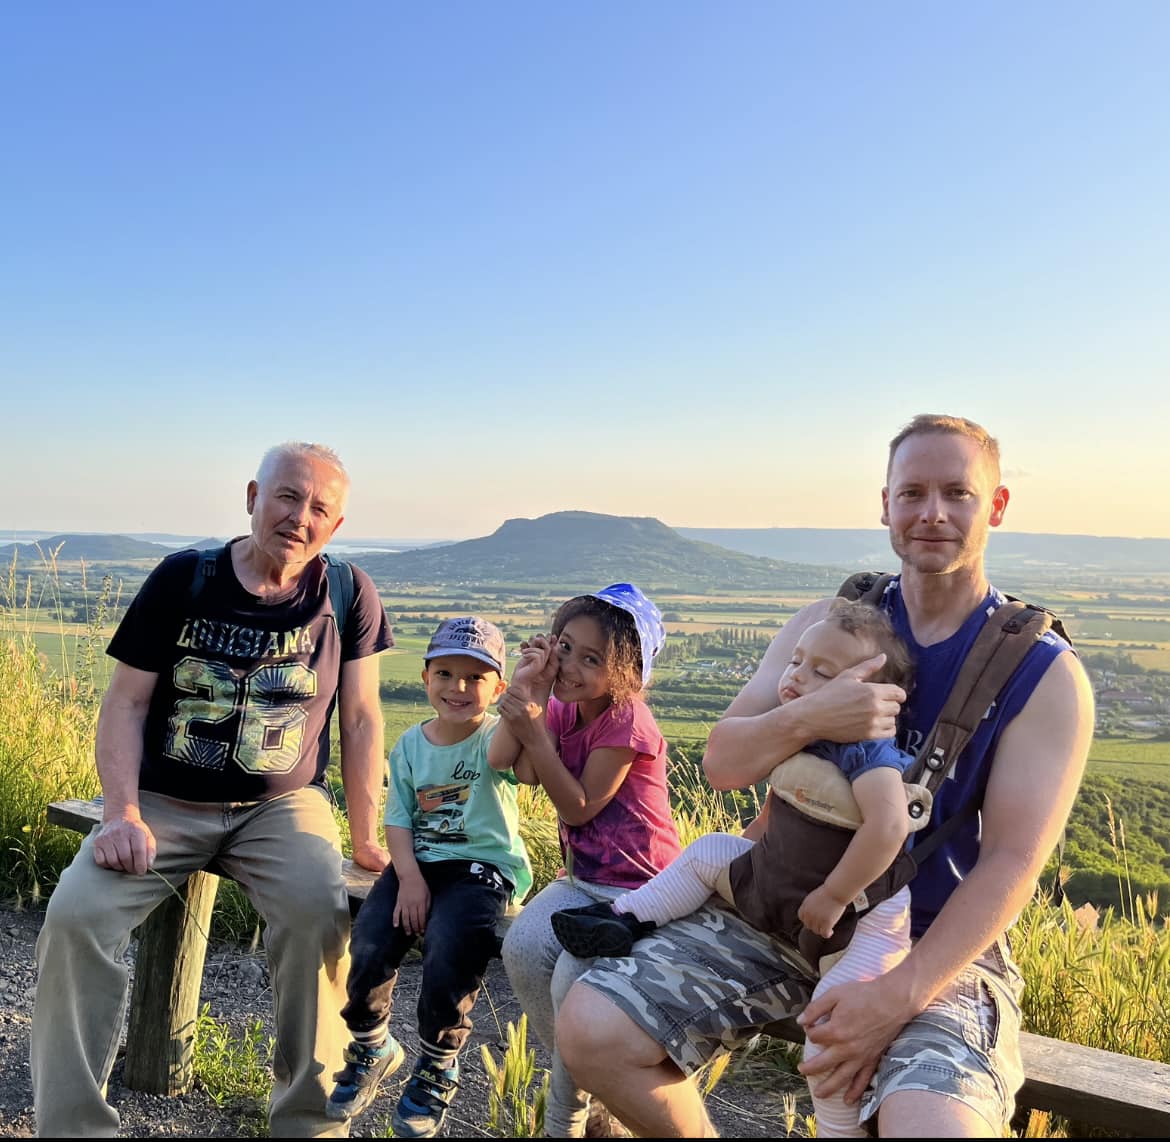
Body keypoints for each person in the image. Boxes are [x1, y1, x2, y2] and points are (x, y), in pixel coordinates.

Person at [553, 414, 1094, 1139]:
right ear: (885, 505)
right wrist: (817, 715)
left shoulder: (1042, 673)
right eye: (913, 493)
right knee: (591, 1028)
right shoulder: (826, 626)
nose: (932, 512)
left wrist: (900, 994)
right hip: (782, 906)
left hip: (926, 938)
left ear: (994, 507)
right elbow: (723, 764)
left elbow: (1012, 863)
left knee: (937, 1130)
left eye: (957, 493)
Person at [31, 441, 395, 1139]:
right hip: (165, 802)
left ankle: (309, 1127)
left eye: (320, 507)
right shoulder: (183, 579)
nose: (300, 516)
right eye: (288, 496)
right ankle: (73, 1129)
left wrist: (368, 835)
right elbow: (126, 704)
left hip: (282, 808)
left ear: (336, 526)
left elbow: (361, 718)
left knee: (319, 922)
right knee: (76, 918)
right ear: (254, 498)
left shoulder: (348, 593)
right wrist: (121, 812)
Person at [548, 598, 918, 1137]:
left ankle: (841, 1129)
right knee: (708, 850)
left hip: (857, 919)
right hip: (780, 887)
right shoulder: (801, 731)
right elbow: (733, 774)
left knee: (829, 1032)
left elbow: (887, 830)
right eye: (797, 661)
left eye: (823, 672)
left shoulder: (867, 755)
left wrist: (837, 893)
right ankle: (626, 918)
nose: (796, 676)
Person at [487, 583, 683, 1138]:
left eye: (592, 659)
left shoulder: (627, 723)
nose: (571, 665)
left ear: (627, 674)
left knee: (571, 983)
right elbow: (509, 763)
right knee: (522, 950)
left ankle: (567, 1123)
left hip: (638, 888)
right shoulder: (559, 705)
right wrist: (528, 689)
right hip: (584, 880)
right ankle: (592, 1082)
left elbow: (576, 808)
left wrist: (534, 733)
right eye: (566, 646)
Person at [325, 616, 533, 1137]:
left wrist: (532, 685)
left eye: (474, 678)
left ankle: (439, 1062)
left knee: (450, 944)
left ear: (498, 687)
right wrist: (410, 879)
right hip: (419, 863)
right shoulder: (411, 746)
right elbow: (399, 820)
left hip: (482, 868)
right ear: (425, 678)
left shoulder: (495, 738)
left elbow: (511, 752)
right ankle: (372, 1045)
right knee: (371, 937)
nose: (457, 688)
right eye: (444, 673)